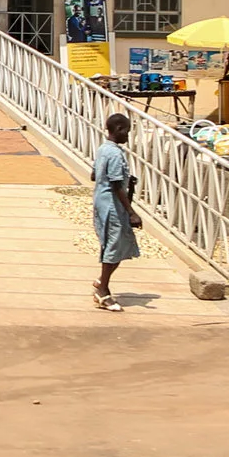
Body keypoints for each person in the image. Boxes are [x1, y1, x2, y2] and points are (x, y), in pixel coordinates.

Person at [91, 112, 142, 311]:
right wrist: (131, 212)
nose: (128, 136)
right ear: (119, 130)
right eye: (127, 132)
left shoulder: (103, 149)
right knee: (114, 246)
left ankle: (101, 280)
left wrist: (127, 181)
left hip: (101, 202)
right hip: (112, 205)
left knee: (115, 244)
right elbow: (114, 185)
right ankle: (103, 290)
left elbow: (94, 174)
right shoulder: (114, 153)